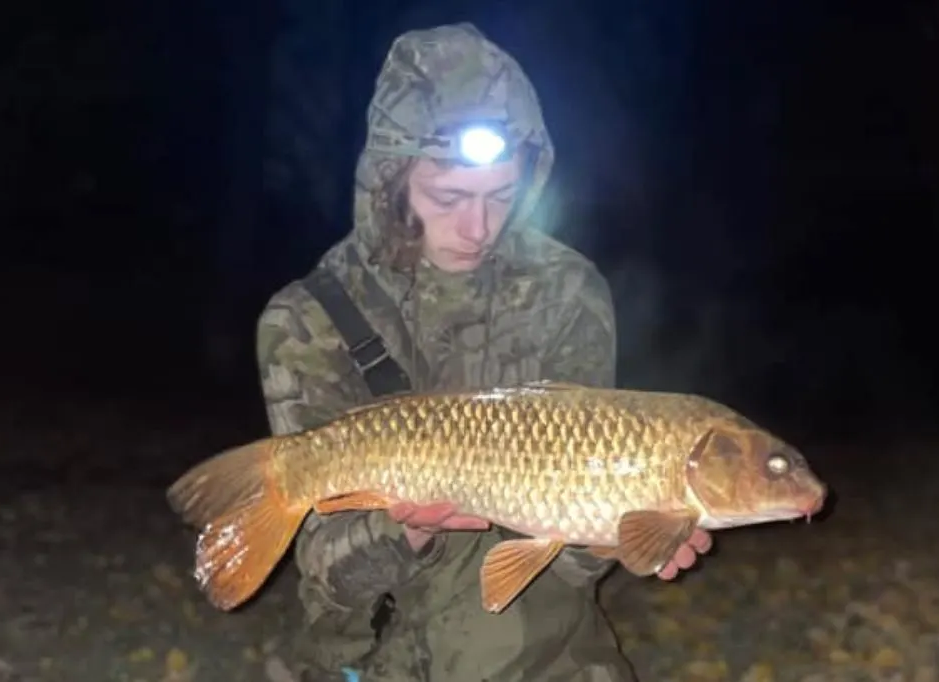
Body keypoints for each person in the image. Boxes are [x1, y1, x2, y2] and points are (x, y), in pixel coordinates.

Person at [256, 22, 712, 682]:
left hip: (542, 660)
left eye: (501, 196)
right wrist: (407, 528)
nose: (478, 228)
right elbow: (330, 578)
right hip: (375, 660)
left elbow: (570, 557)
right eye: (449, 198)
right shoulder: (308, 319)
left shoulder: (567, 292)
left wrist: (627, 539)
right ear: (391, 180)